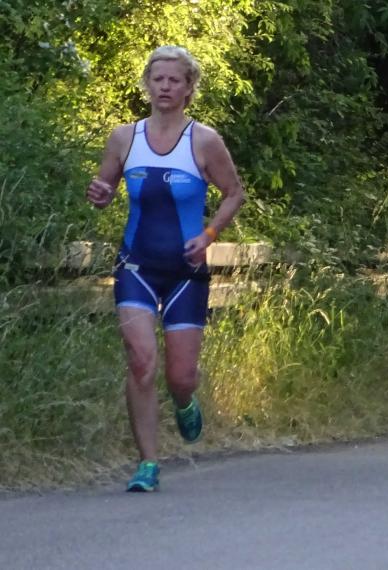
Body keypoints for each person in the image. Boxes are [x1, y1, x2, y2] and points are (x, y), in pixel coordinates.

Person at [86, 46, 245, 490]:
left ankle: (185, 400)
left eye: (175, 80)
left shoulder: (204, 141)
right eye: (158, 79)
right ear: (147, 84)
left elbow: (235, 193)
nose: (165, 87)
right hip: (135, 265)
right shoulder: (124, 138)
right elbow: (103, 190)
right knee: (140, 361)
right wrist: (99, 194)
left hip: (185, 272)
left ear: (189, 88)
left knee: (180, 376)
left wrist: (209, 235)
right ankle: (148, 464)